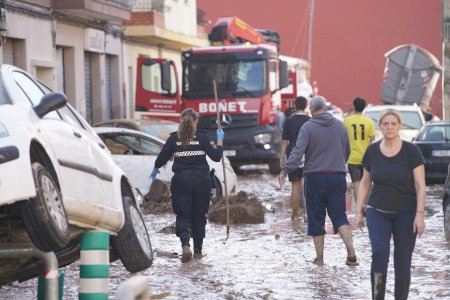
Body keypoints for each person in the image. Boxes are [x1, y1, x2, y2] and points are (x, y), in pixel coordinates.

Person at [354, 109, 425, 300]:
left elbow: (420, 185)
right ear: (380, 126)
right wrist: (358, 211)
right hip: (377, 211)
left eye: (394, 123)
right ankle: (378, 297)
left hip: (407, 213)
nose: (390, 127)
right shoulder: (372, 151)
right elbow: (365, 182)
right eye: (385, 123)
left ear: (400, 126)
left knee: (402, 260)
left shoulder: (412, 151)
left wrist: (419, 214)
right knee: (379, 253)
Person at [279, 96, 358, 266]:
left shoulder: (308, 127)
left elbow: (297, 153)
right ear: (325, 107)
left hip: (315, 178)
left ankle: (320, 258)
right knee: (339, 215)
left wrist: (285, 169)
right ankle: (351, 252)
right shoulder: (340, 125)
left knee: (316, 218)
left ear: (311, 110)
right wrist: (337, 163)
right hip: (337, 176)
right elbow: (347, 151)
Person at [151, 108, 224, 263]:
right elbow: (217, 157)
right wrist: (220, 140)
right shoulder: (203, 137)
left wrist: (156, 169)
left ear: (180, 121)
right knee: (199, 216)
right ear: (196, 121)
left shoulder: (173, 139)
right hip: (201, 182)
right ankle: (198, 252)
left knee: (183, 215)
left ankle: (185, 245)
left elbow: (160, 160)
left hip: (181, 183)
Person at [279, 96, 310, 220]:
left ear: (295, 106)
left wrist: (282, 158)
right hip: (308, 156)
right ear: (306, 106)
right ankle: (308, 214)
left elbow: (285, 141)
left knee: (295, 186)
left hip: (292, 156)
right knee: (307, 186)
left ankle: (295, 215)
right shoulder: (310, 120)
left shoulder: (288, 121)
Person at [343, 97, 375, 202]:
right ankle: (366, 205)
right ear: (364, 107)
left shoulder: (346, 121)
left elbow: (343, 139)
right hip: (366, 157)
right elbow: (372, 141)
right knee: (367, 183)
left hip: (352, 158)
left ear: (354, 106)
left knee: (356, 183)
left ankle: (359, 208)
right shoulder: (369, 122)